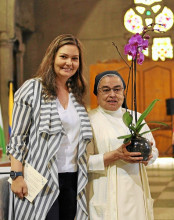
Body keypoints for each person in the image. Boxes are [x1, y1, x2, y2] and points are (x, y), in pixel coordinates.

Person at [6, 34, 92, 220]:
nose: (69, 62)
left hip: (72, 178)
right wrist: (16, 175)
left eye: (75, 58)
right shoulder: (33, 88)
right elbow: (18, 137)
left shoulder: (76, 94)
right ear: (52, 57)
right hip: (40, 178)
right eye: (63, 56)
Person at [86, 70, 158, 220]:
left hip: (135, 192)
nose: (112, 94)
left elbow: (154, 150)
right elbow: (82, 163)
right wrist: (115, 155)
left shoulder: (135, 117)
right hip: (104, 193)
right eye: (106, 90)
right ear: (96, 93)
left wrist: (148, 156)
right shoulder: (88, 120)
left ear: (123, 93)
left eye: (117, 89)